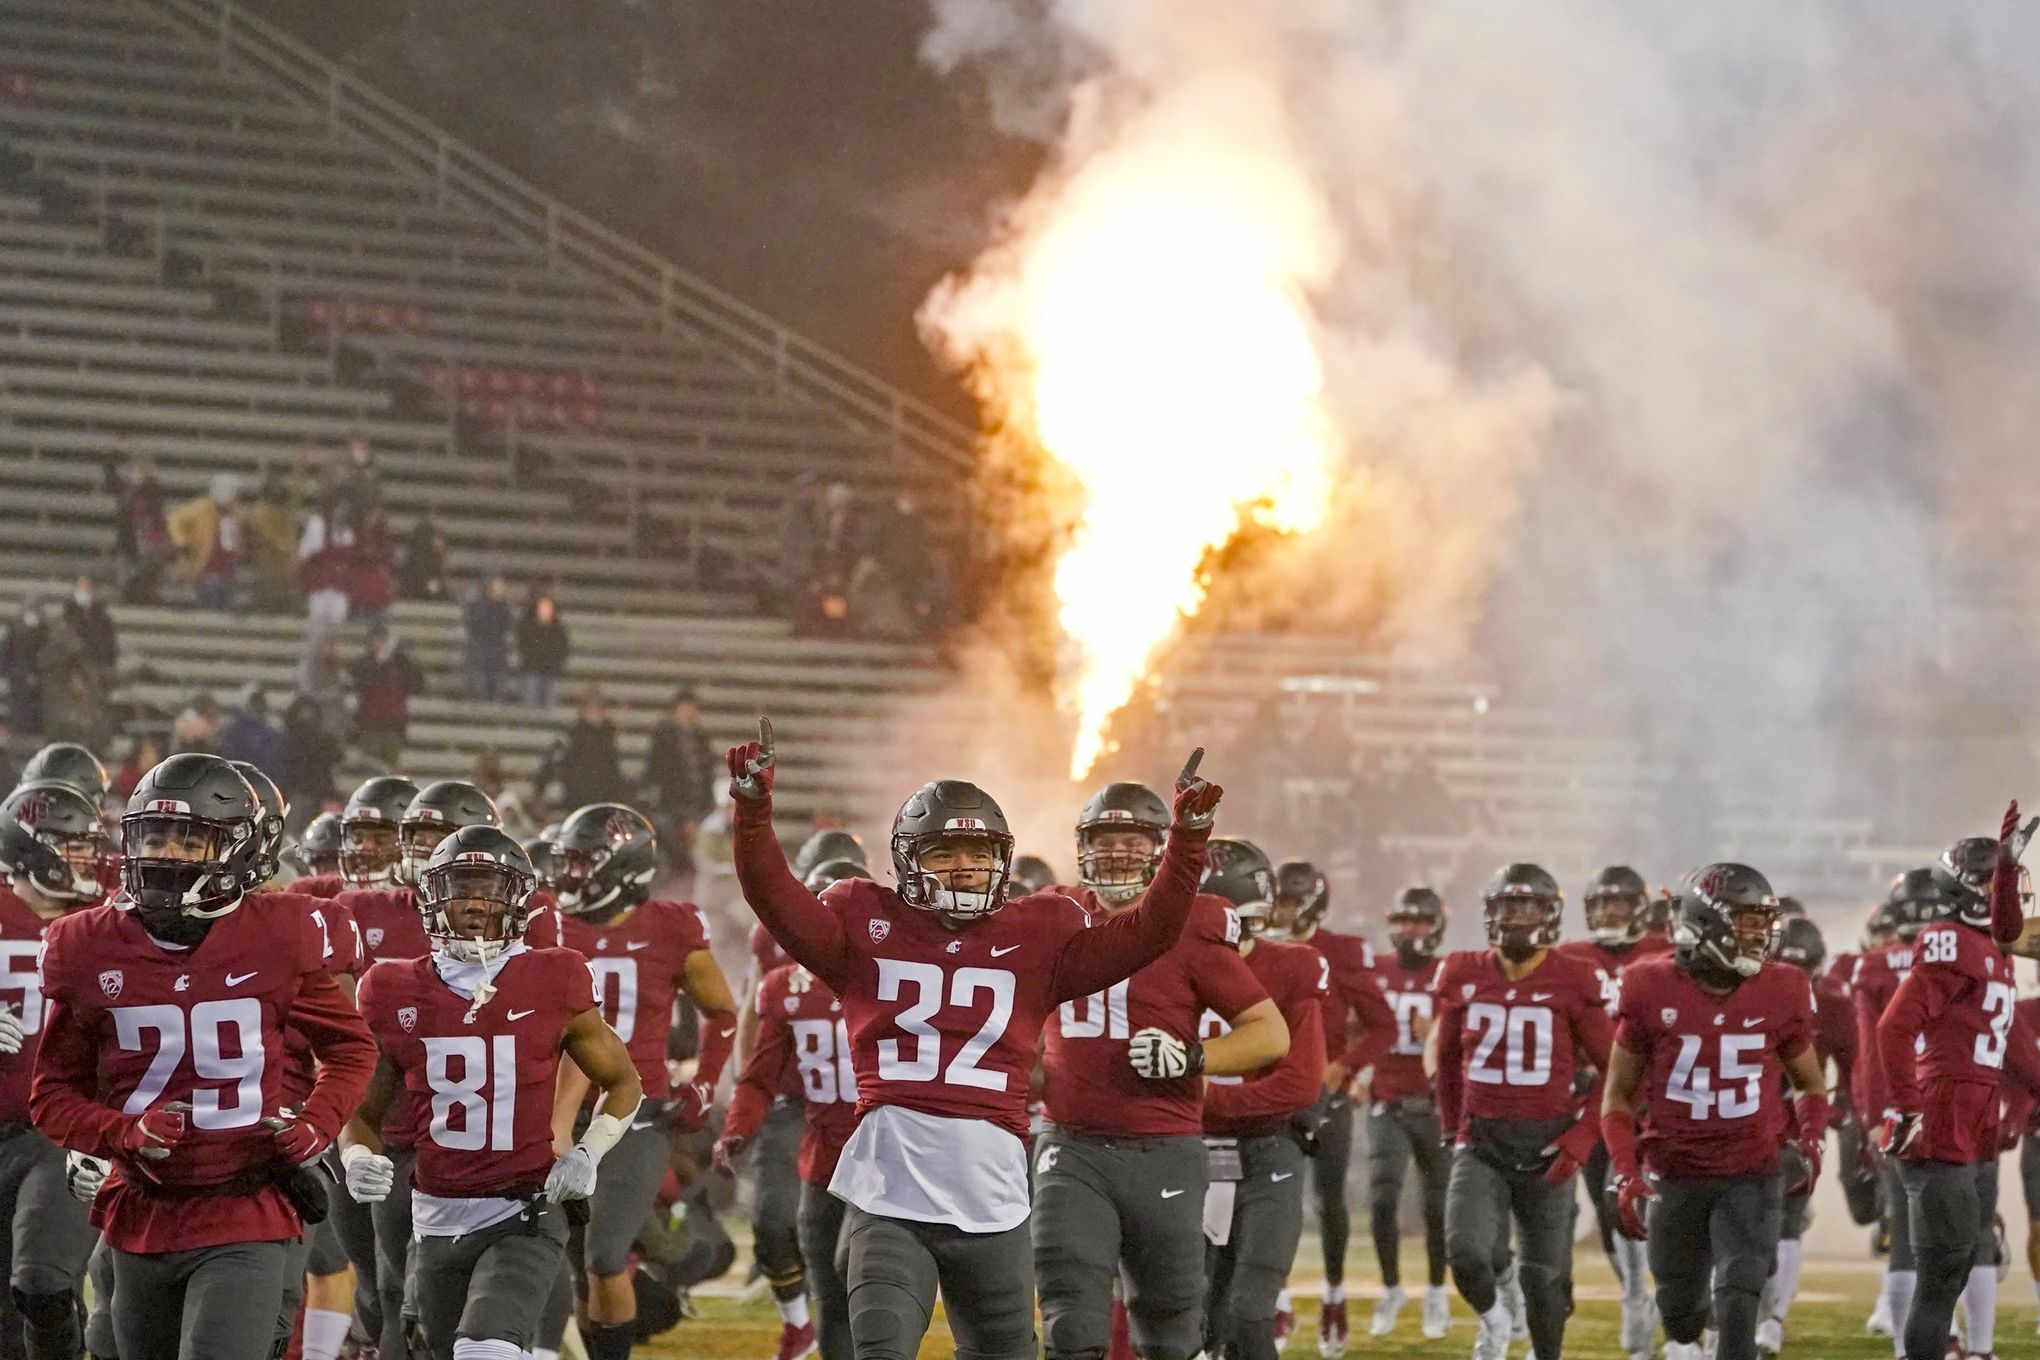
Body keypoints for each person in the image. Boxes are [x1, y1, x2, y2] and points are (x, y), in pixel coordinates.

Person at [724, 723, 1222, 1360]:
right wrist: (754, 812)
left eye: (981, 854)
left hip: (992, 1190)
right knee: (879, 1348)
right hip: (891, 1186)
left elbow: (1149, 934)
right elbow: (773, 895)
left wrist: (1185, 843)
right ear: (908, 860)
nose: (967, 868)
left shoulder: (1040, 931)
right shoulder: (862, 919)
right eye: (945, 854)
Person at [29, 754, 375, 1360]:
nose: (165, 853)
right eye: (154, 835)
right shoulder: (86, 945)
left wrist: (320, 1123)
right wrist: (120, 1131)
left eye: (189, 840)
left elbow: (349, 1046)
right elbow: (53, 1095)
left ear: (238, 850)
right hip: (141, 1208)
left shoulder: (280, 932)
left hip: (248, 1204)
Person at [341, 826, 644, 1360]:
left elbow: (623, 1081)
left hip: (523, 1207)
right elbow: (363, 1110)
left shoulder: (555, 975)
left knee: (485, 1349)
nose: (475, 903)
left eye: (489, 888)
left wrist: (588, 1151)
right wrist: (356, 1153)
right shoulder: (389, 988)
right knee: (441, 1348)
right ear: (431, 896)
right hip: (434, 1212)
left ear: (520, 900)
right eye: (459, 888)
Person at [1032, 786, 1287, 1360]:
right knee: (1069, 1323)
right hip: (1070, 1147)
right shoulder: (1054, 915)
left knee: (1170, 1328)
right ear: (1082, 847)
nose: (1118, 852)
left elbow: (1269, 1034)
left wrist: (1191, 1057)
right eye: (1105, 840)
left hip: (1163, 1147)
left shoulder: (1190, 925)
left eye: (1133, 840)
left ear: (1158, 850)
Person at [1602, 864, 1831, 1360]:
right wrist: (1626, 1171)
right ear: (1709, 922)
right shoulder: (1648, 984)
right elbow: (1618, 1096)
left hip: (1752, 1171)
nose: (1761, 935)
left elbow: (1810, 1083)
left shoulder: (1784, 987)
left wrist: (1811, 1144)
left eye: (1763, 922)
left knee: (1740, 1295)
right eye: (1749, 921)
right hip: (1675, 1171)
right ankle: (1687, 1328)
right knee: (1681, 1317)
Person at [551, 803, 740, 1360]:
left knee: (605, 1253)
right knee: (571, 1262)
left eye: (586, 863)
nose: (571, 876)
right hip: (557, 1113)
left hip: (636, 1115)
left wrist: (704, 1081)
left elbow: (722, 1012)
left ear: (624, 868)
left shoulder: (671, 925)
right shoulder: (544, 922)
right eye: (570, 862)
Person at [1874, 811, 2040, 1360]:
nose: (2014, 897)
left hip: (1973, 1108)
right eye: (2002, 887)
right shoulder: (1949, 940)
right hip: (1944, 1106)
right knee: (1941, 1274)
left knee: (1959, 1262)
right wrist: (1905, 1106)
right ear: (1972, 893)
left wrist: (2010, 865)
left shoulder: (1992, 951)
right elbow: (1894, 1027)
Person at [1432, 863, 1612, 1360]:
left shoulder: (1574, 977)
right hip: (1483, 1142)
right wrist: (1453, 1127)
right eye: (1508, 906)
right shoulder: (1463, 970)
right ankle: (1494, 1321)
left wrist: (1581, 1139)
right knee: (1465, 1252)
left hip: (1549, 1145)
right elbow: (1447, 1061)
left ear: (1550, 914)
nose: (1517, 917)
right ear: (1490, 913)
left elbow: (1619, 1074)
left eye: (1529, 906)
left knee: (1546, 1284)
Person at [1195, 839, 1326, 1360]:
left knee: (1250, 1318)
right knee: (1186, 1320)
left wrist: (1200, 1103)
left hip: (1267, 1153)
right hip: (1184, 1157)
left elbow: (1299, 1085)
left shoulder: (1292, 966)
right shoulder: (1159, 964)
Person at [1266, 859, 1393, 1356]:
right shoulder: (1255, 945)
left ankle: (1334, 1294)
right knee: (1272, 1197)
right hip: (1268, 1088)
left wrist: (1344, 1065)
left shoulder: (1340, 951)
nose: (1279, 911)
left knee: (1328, 1197)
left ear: (1313, 904)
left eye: (1290, 902)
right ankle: (1275, 1294)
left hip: (1324, 1094)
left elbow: (1383, 1024)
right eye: (1276, 899)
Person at [0, 779, 108, 1359]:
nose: (86, 861)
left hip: (60, 1136)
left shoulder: (106, 923)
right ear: (28, 849)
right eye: (70, 846)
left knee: (44, 1282)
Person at [1553, 865, 1674, 1358]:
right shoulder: (1569, 958)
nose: (1607, 914)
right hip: (1602, 1098)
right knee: (1610, 1206)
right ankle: (1633, 1293)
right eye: (1601, 905)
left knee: (1672, 1206)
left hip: (1663, 1095)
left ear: (1640, 910)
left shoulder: (1665, 951)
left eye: (1619, 905)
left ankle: (1667, 1296)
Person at [1758, 915, 1853, 1356]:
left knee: (1787, 1220)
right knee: (1752, 1220)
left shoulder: (1831, 1001)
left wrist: (1841, 1107)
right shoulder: (1752, 991)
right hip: (1750, 1118)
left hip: (1795, 1121)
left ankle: (1774, 1316)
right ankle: (1757, 1312)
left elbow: (1854, 1061)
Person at [1364, 886, 1453, 1340]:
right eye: (1403, 920)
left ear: (1436, 924)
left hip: (1434, 1105)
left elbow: (1470, 1044)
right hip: (1387, 1101)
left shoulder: (1450, 975)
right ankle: (1391, 1287)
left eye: (1419, 920)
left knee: (1437, 1207)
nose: (1410, 929)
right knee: (1382, 1198)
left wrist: (1437, 1035)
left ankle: (1437, 1290)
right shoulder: (1375, 970)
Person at [1854, 869, 1940, 1339]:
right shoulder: (1970, 955)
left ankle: (1903, 1322)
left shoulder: (1874, 967)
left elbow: (1872, 1049)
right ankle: (1949, 1332)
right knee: (1954, 1221)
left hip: (1901, 1104)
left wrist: (1872, 1111)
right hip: (1955, 1102)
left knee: (1907, 1218)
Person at [642, 689, 715, 874]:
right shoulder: (664, 736)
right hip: (672, 805)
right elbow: (657, 771)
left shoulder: (701, 737)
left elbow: (707, 772)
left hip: (697, 805)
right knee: (675, 855)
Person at [350, 627, 424, 768]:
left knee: (392, 764)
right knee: (370, 765)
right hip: (369, 725)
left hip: (394, 725)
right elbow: (360, 684)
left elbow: (417, 684)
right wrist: (378, 666)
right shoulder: (363, 663)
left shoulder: (401, 663)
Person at [166, 474, 243, 610]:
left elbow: (230, 544)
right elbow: (175, 519)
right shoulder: (203, 507)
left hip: (227, 575)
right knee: (211, 611)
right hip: (208, 574)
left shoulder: (231, 515)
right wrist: (183, 545)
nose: (237, 498)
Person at [280, 693, 345, 828]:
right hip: (298, 793)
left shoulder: (323, 740)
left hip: (320, 793)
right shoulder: (290, 740)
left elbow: (337, 756)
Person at [461, 578, 514, 702]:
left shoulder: (504, 609)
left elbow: (506, 626)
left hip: (497, 653)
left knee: (496, 684)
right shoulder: (479, 607)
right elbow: (472, 624)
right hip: (480, 651)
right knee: (479, 683)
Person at [516, 593, 570, 709]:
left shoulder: (559, 629)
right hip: (532, 670)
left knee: (550, 705)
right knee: (530, 705)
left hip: (551, 671)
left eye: (548, 608)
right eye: (543, 608)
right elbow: (523, 647)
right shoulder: (527, 626)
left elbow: (563, 649)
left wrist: (555, 664)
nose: (546, 611)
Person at [218, 687, 287, 776]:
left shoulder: (271, 729)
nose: (258, 706)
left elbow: (277, 756)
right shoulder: (234, 729)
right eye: (255, 702)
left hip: (267, 777)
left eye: (260, 702)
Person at [62, 577, 117, 678]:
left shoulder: (104, 620)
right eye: (80, 588)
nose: (83, 591)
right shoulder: (67, 617)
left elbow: (109, 647)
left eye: (86, 588)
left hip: (97, 666)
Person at [397, 513, 450, 601]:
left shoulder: (435, 555)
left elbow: (439, 577)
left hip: (427, 588)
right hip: (418, 590)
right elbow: (424, 581)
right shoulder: (419, 555)